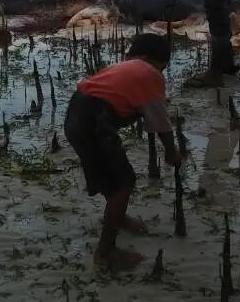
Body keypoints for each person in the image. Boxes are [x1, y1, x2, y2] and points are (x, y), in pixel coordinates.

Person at [64, 33, 182, 270]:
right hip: (95, 120)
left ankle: (117, 217)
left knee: (111, 175)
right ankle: (106, 253)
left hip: (75, 115)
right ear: (155, 60)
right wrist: (171, 151)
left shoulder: (122, 67)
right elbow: (160, 121)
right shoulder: (150, 74)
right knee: (122, 185)